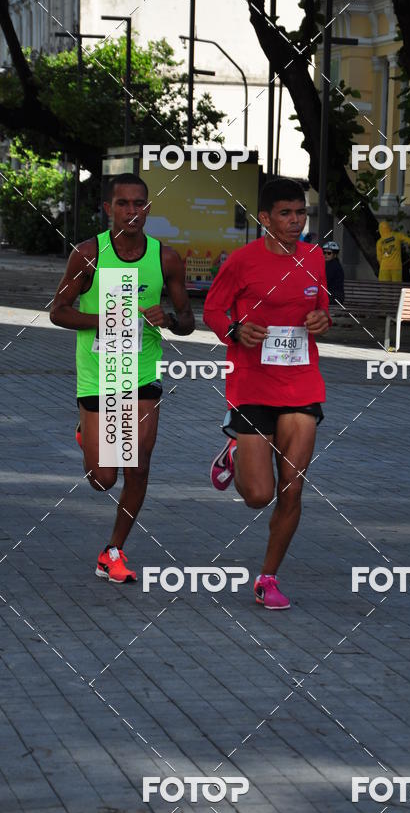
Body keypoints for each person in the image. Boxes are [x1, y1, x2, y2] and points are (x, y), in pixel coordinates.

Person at [50, 172, 195, 583]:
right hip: (99, 374)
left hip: (142, 371)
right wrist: (105, 319)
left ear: (148, 209)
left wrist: (169, 319)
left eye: (139, 204)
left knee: (139, 466)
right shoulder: (88, 254)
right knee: (103, 479)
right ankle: (87, 432)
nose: (132, 211)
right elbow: (58, 311)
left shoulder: (165, 258)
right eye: (123, 204)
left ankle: (112, 551)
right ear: (108, 209)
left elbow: (188, 322)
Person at [203, 178, 331, 610]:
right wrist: (236, 330)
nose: (296, 221)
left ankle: (268, 578)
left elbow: (323, 308)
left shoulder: (314, 257)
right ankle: (236, 450)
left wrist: (321, 320)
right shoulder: (242, 261)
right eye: (286, 213)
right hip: (253, 383)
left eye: (301, 213)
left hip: (301, 383)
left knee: (292, 489)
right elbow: (213, 310)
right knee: (259, 495)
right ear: (265, 218)